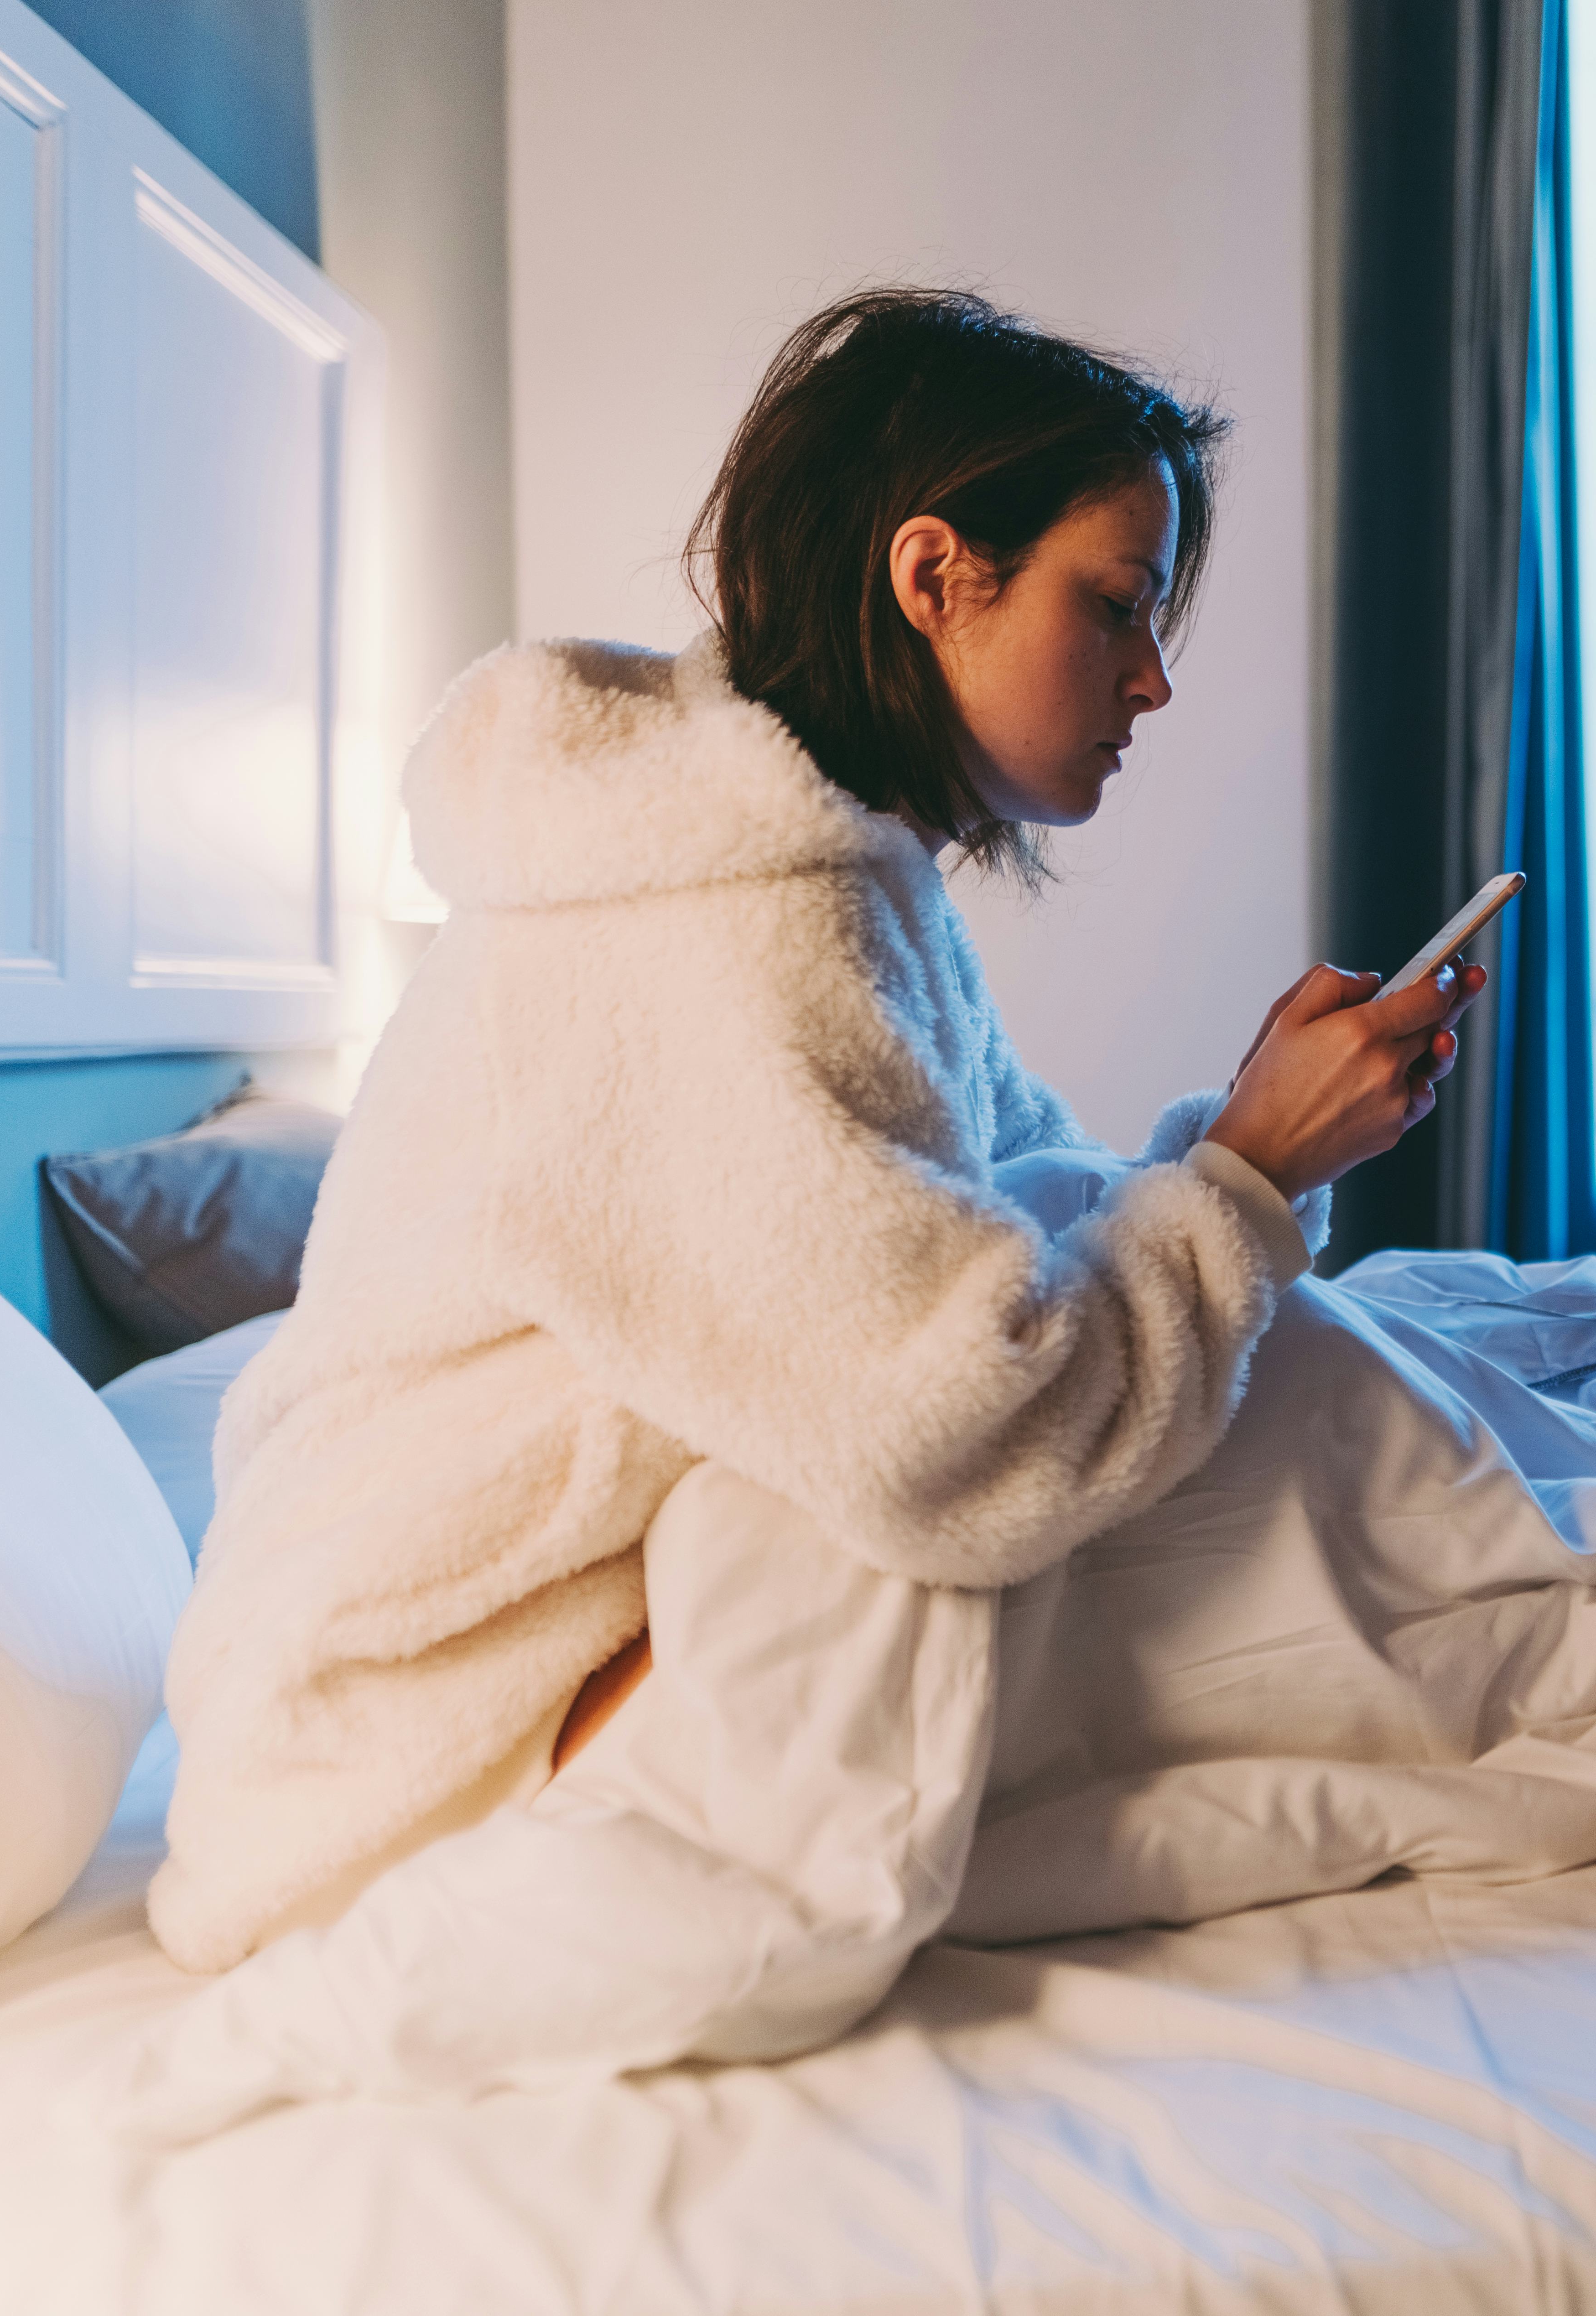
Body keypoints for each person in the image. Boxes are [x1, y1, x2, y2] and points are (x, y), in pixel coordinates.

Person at [148, 290, 1482, 1973]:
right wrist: (1252, 1178)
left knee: (1303, 1459)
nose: (1151, 679)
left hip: (496, 1678)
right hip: (408, 1761)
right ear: (936, 577)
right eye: (1120, 607)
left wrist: (1243, 1135)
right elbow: (968, 1430)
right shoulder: (704, 928)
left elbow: (1020, 1217)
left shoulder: (831, 875)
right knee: (966, 1529)